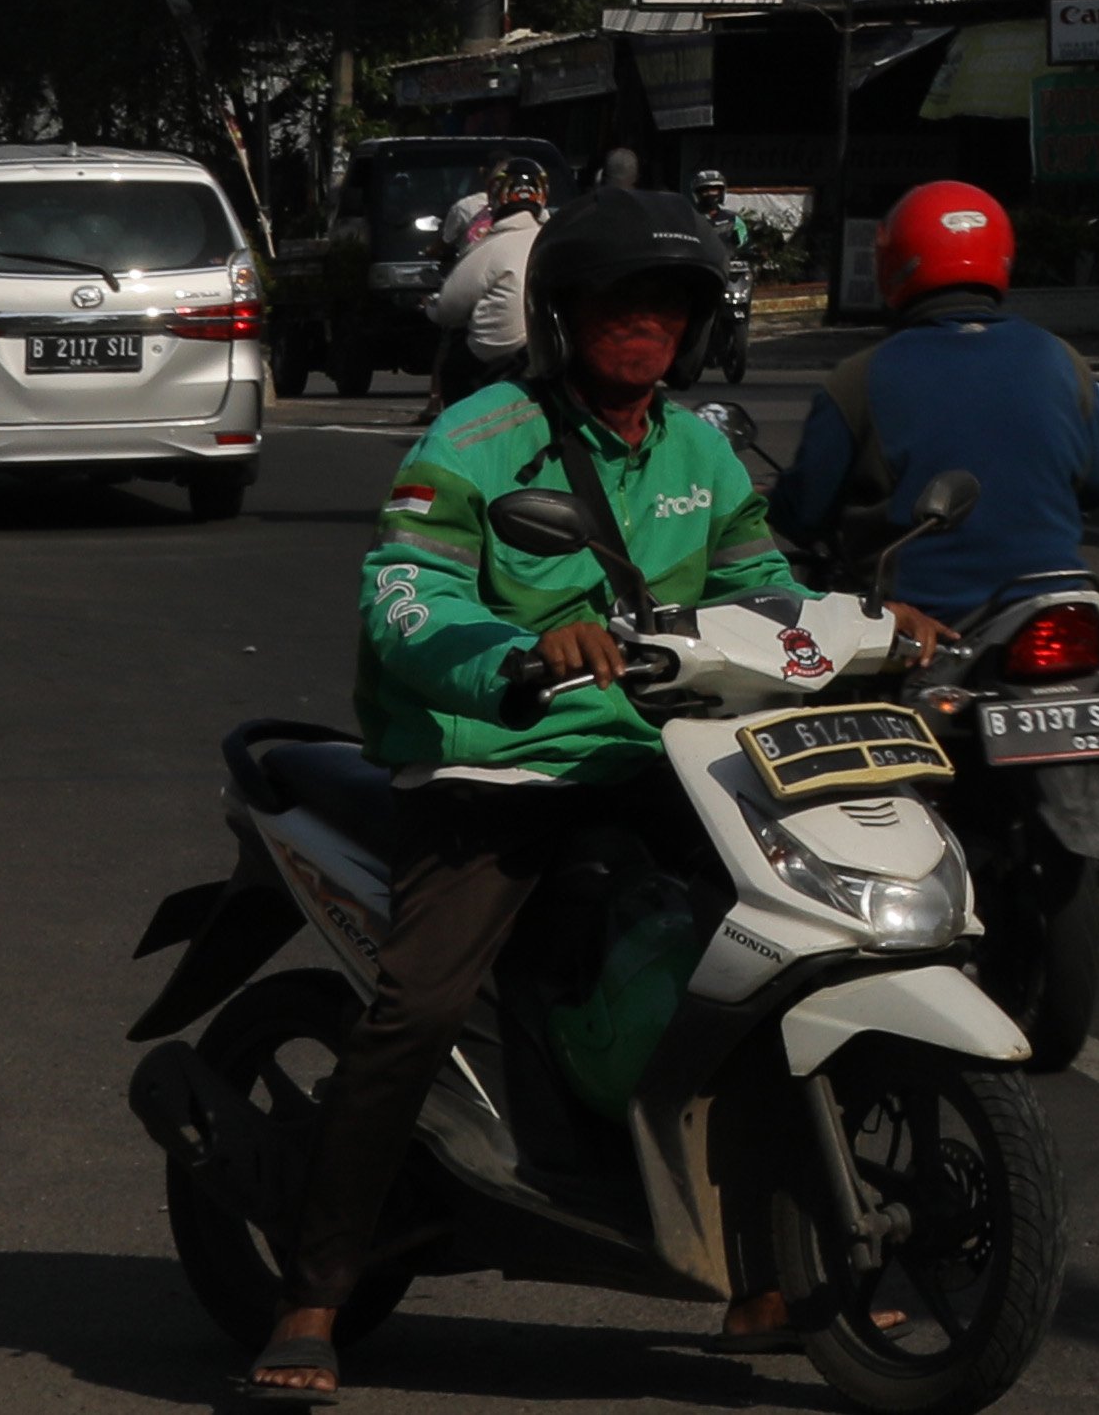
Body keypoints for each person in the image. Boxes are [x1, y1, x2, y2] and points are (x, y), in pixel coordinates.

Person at [257, 194, 854, 1400]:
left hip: (659, 757)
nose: (643, 327)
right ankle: (314, 1292)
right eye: (617, 304)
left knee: (772, 959)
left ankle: (758, 1270)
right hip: (494, 765)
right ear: (561, 315)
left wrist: (862, 627)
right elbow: (405, 596)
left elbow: (763, 581)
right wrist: (520, 655)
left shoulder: (698, 450)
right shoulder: (477, 438)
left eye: (668, 307)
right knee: (416, 1009)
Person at [775, 178, 1099, 618]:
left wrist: (775, 500)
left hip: (916, 618)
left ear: (893, 260)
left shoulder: (858, 378)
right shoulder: (1064, 360)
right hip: (1056, 603)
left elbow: (806, 512)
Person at [422, 159, 552, 398]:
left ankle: (462, 433)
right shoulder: (554, 240)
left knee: (452, 369)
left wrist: (430, 306)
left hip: (497, 352)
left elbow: (449, 309)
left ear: (495, 194)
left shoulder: (489, 247)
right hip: (550, 349)